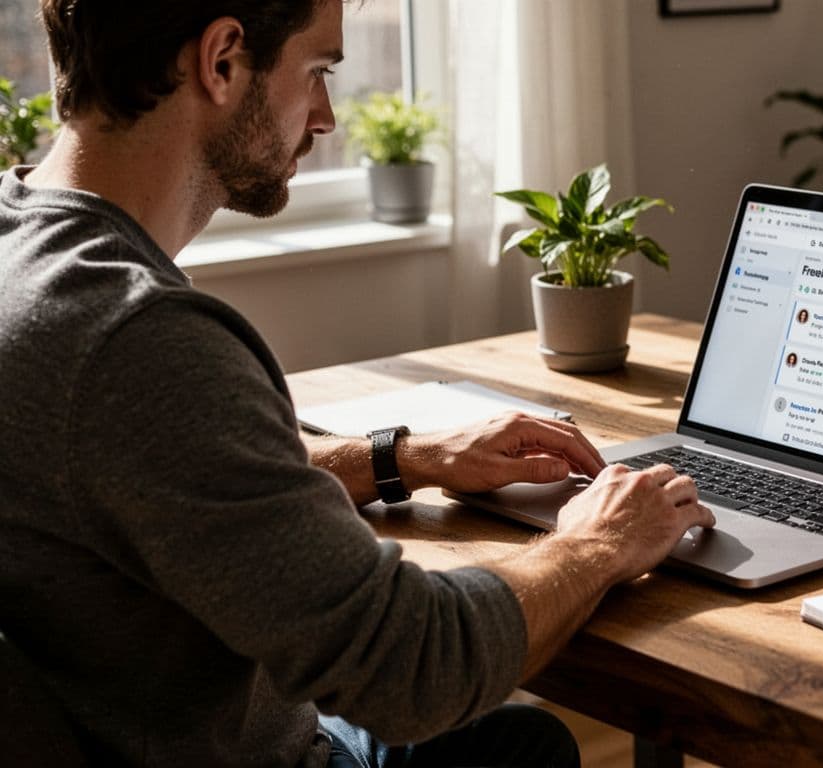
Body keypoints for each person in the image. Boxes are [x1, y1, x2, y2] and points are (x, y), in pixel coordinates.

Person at [0, 1, 714, 766]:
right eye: (317, 72)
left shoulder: (26, 257)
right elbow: (413, 669)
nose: (327, 116)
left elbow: (155, 488)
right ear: (222, 61)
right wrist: (598, 542)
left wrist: (397, 456)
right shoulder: (138, 341)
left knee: (515, 739)